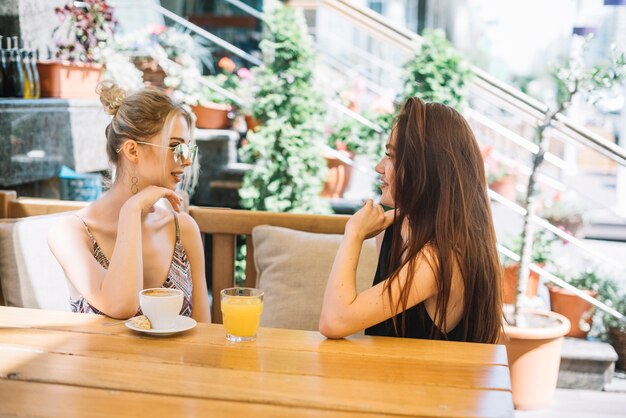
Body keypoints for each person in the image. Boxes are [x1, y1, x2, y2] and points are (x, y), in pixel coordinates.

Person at [319, 97, 502, 343]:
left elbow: (334, 321)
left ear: (425, 169)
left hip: (429, 381)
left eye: (391, 156)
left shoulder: (437, 259)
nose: (379, 167)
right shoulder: (395, 230)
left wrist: (353, 233)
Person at [48, 82, 211, 322]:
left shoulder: (183, 229)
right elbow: (121, 305)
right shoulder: (70, 233)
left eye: (188, 149)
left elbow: (203, 332)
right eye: (175, 147)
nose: (186, 161)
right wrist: (132, 211)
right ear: (133, 151)